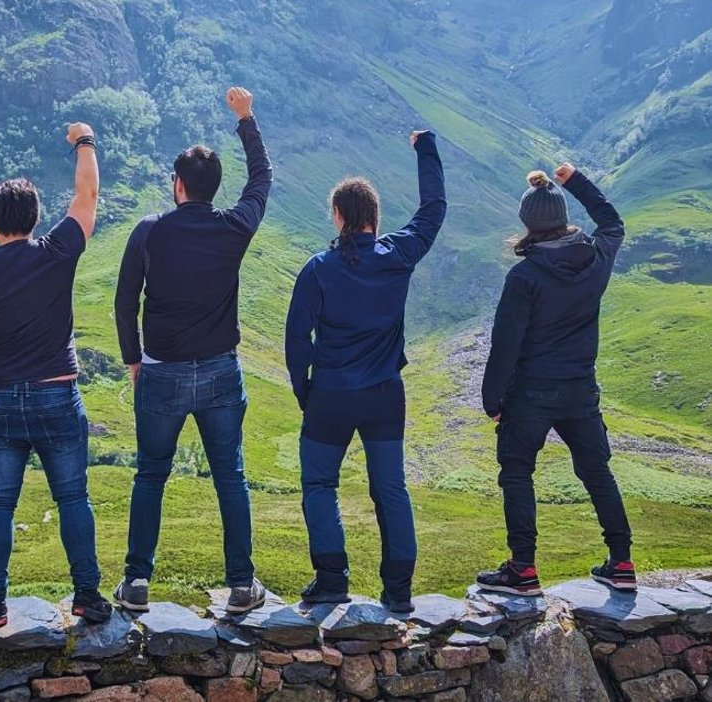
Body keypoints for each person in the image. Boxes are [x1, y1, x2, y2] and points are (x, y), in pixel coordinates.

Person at [111, 86, 274, 615]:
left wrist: (134, 359)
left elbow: (123, 300)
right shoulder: (234, 227)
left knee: (151, 474)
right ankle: (243, 585)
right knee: (230, 475)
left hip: (161, 371)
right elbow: (262, 179)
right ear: (213, 187)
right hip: (223, 372)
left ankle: (136, 583)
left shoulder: (149, 230)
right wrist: (246, 120)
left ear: (177, 185)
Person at [0, 122, 111, 628]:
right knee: (73, 497)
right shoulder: (58, 251)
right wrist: (85, 141)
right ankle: (88, 597)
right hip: (58, 395)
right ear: (37, 218)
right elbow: (88, 193)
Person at [285, 129, 446, 613]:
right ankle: (398, 593)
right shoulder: (397, 256)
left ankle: (332, 579)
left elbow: (297, 340)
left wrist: (304, 392)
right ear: (374, 218)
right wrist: (426, 150)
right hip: (383, 395)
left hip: (330, 395)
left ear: (338, 217)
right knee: (390, 489)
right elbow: (433, 209)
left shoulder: (318, 269)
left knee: (318, 485)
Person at [475, 165, 635, 596]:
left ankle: (522, 569)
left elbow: (505, 344)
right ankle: (621, 561)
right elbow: (612, 222)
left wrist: (493, 401)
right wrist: (575, 181)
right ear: (563, 218)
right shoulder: (597, 257)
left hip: (530, 392)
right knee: (596, 470)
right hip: (580, 388)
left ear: (527, 224)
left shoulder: (524, 276)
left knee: (517, 472)